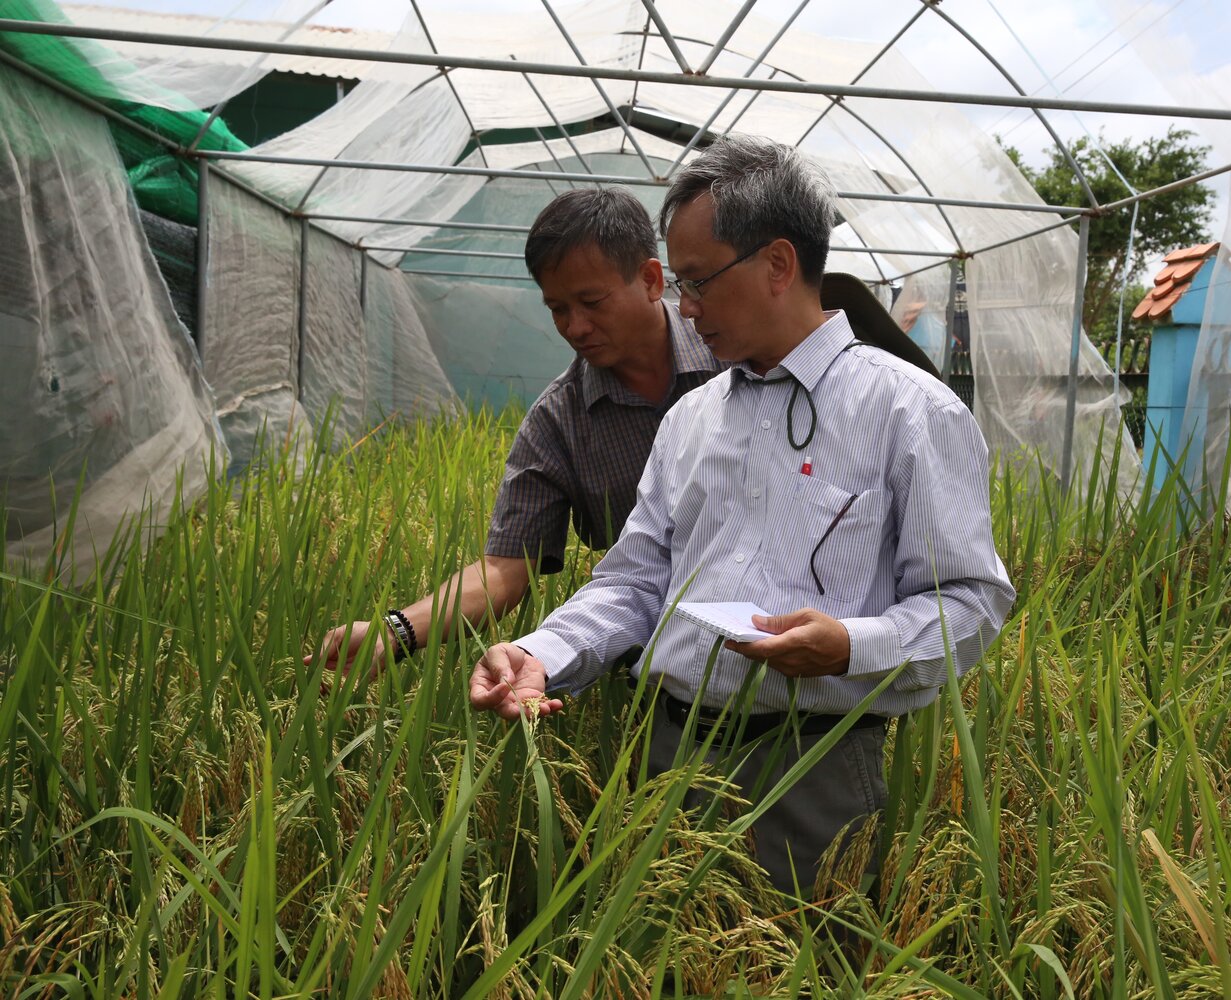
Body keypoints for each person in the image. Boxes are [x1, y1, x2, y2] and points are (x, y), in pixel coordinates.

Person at [469, 134, 1015, 896]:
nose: (683, 307)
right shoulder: (691, 420)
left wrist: (852, 645)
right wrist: (543, 652)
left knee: (811, 964)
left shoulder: (910, 411)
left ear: (778, 265)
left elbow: (970, 602)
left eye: (696, 282)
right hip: (668, 757)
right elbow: (634, 582)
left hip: (817, 767)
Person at [305, 187, 724, 673]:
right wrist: (397, 630)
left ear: (651, 279)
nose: (575, 326)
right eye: (558, 309)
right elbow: (504, 569)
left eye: (591, 301)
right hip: (650, 649)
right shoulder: (559, 421)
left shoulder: (731, 358)